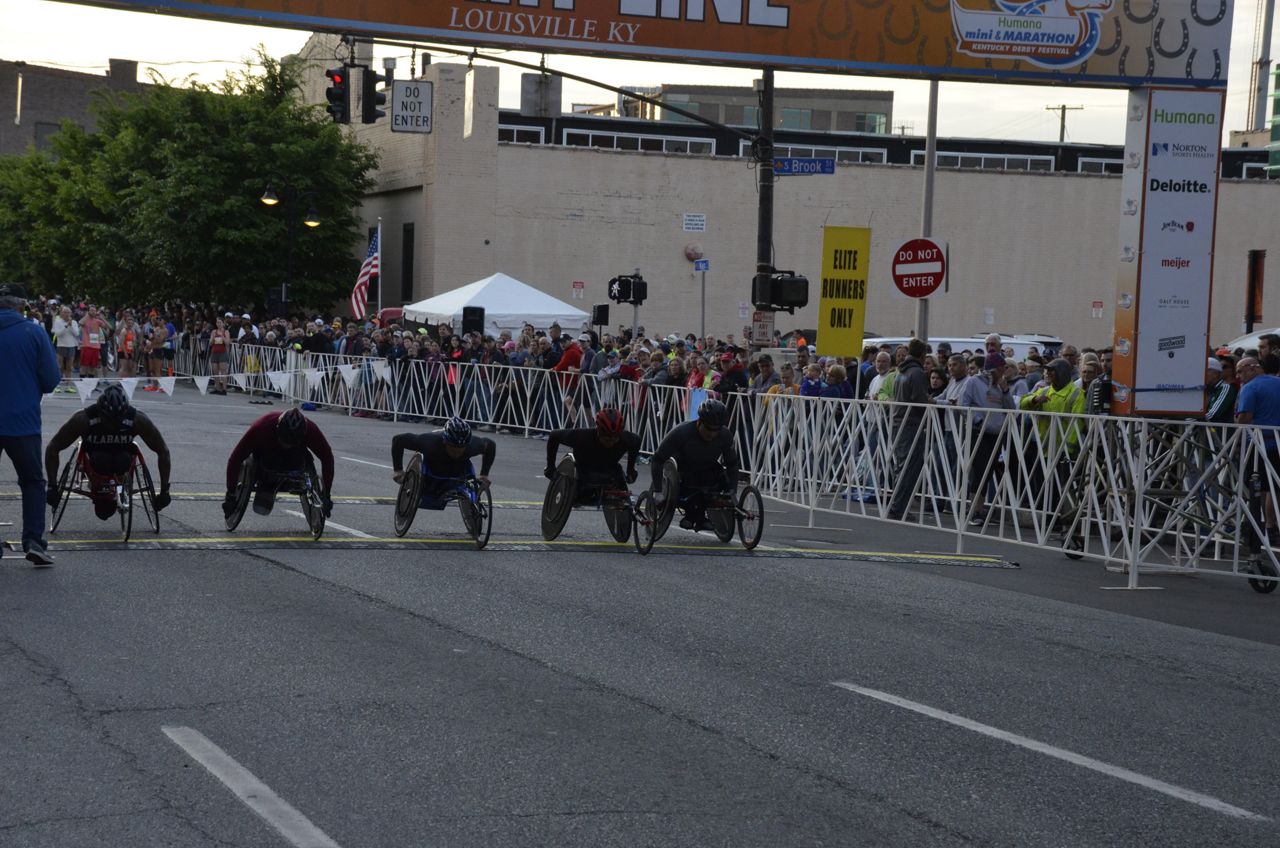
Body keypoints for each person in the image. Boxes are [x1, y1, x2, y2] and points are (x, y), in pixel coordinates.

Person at [43, 384, 172, 520]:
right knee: (102, 460)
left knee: (122, 460)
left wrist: (165, 491)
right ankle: (101, 490)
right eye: (110, 420)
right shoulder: (83, 419)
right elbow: (53, 448)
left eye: (118, 419)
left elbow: (163, 451)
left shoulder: (137, 420)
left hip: (122, 460)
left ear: (125, 411)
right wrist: (52, 486)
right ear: (100, 411)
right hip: (95, 461)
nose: (114, 425)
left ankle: (119, 488)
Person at [0, 284, 61, 565]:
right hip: (22, 421)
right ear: (22, 306)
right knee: (33, 482)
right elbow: (50, 380)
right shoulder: (33, 332)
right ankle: (34, 540)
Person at [223, 407, 335, 518]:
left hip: (295, 460)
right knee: (262, 507)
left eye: (292, 443)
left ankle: (289, 476)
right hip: (267, 459)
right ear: (277, 428)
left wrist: (326, 494)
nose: (287, 445)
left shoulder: (311, 430)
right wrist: (231, 494)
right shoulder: (261, 427)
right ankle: (267, 486)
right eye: (285, 440)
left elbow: (327, 458)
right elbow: (236, 459)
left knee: (302, 456)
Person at [650, 398, 739, 532]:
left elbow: (732, 464)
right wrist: (658, 491)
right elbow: (657, 459)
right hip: (683, 472)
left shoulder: (725, 435)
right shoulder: (681, 432)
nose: (712, 434)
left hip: (707, 470)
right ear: (699, 422)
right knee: (693, 482)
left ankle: (698, 517)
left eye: (717, 430)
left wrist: (733, 490)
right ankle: (694, 516)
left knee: (717, 476)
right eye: (708, 429)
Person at [543, 407, 640, 503]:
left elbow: (637, 441)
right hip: (584, 470)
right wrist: (550, 467)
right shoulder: (581, 436)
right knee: (581, 493)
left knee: (623, 490)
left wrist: (630, 469)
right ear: (599, 432)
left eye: (614, 439)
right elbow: (554, 435)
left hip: (610, 468)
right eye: (607, 439)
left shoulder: (627, 438)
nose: (611, 443)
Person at [390, 416, 495, 500]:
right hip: (433, 466)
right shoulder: (429, 443)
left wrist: (484, 474)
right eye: (453, 449)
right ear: (445, 442)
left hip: (458, 469)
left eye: (460, 449)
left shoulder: (472, 445)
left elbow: (490, 445)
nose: (456, 452)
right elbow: (398, 440)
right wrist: (398, 470)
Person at [1235, 356, 1280, 543]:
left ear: (1251, 368)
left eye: (1240, 371)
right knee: (1274, 487)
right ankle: (1270, 525)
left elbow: (1245, 417)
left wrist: (1237, 432)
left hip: (1258, 443)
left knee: (1255, 486)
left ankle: (1256, 528)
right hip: (1277, 443)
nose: (1238, 376)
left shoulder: (1250, 388)